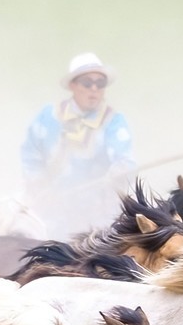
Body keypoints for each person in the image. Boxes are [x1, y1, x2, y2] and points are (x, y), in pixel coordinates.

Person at [19, 52, 134, 236]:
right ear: (73, 85)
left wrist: (119, 172)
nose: (94, 89)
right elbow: (30, 155)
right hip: (50, 211)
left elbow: (124, 160)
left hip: (97, 217)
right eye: (87, 83)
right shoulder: (48, 116)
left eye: (100, 83)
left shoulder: (114, 121)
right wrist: (39, 185)